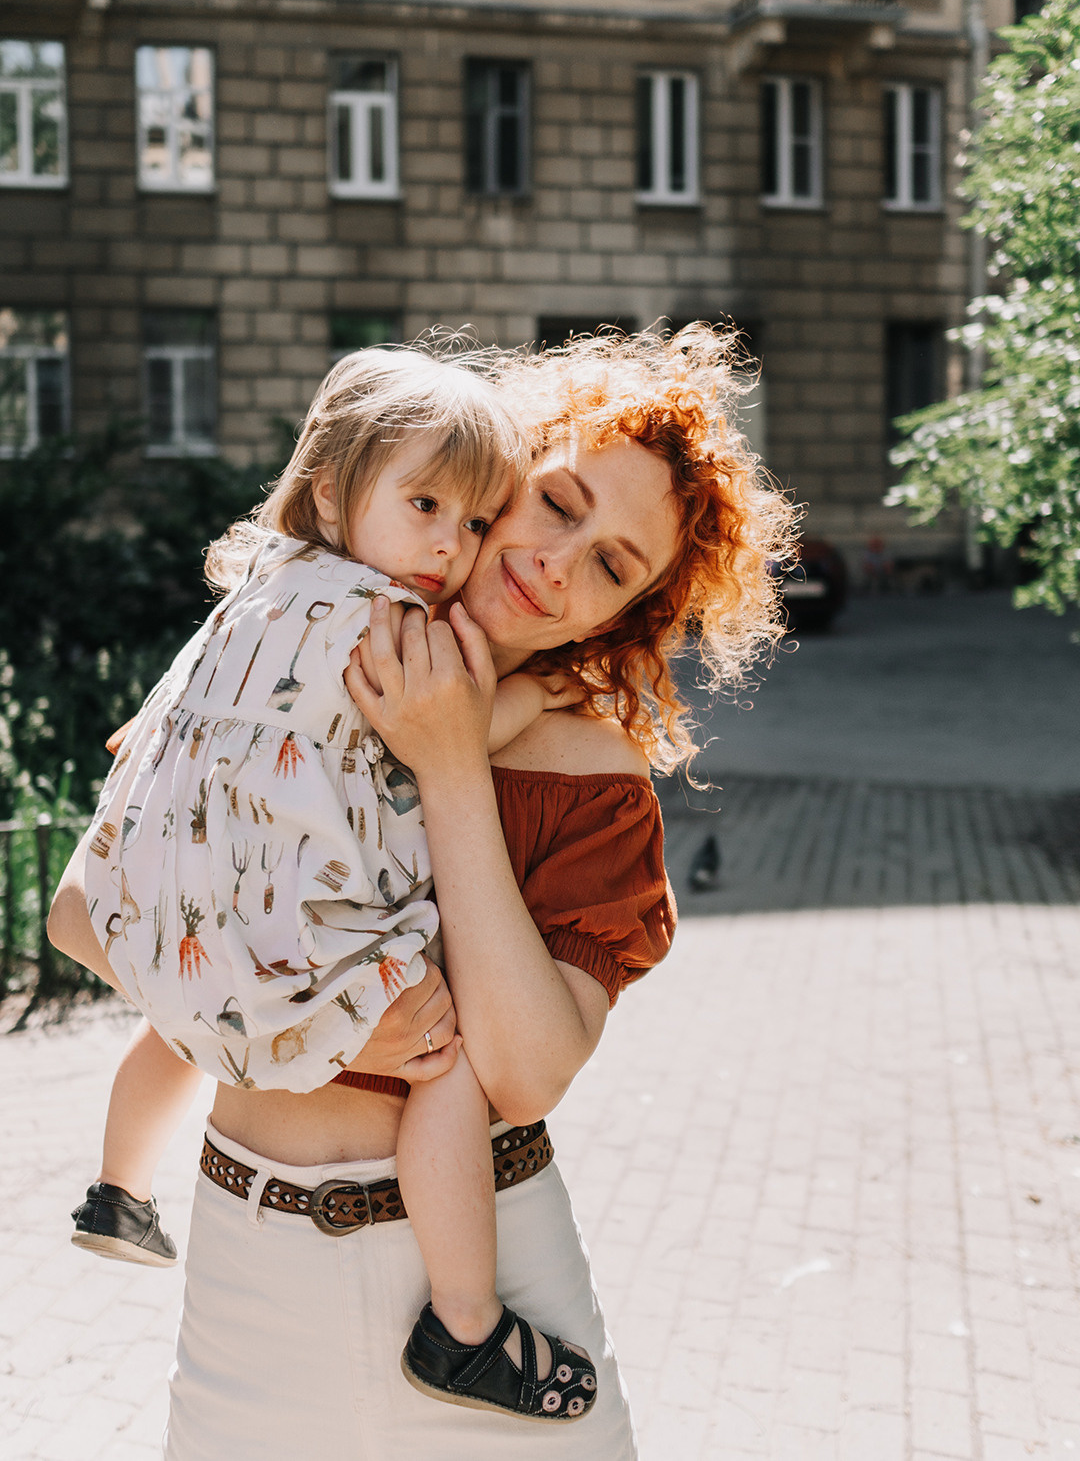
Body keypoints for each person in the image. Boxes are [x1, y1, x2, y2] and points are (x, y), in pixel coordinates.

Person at [49, 324, 796, 1459]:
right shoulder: (294, 655)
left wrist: (450, 767)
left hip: (494, 1272)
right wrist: (317, 1015)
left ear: (624, 616)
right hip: (253, 1267)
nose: (559, 562)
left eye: (612, 566)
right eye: (557, 503)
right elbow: (81, 914)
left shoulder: (592, 775)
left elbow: (525, 1070)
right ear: (496, 471)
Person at [57, 347, 601, 1425]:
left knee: (180, 1020)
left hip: (187, 890)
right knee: (444, 1068)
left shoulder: (256, 589)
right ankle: (466, 1326)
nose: (450, 544)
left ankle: (116, 1189)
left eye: (476, 520)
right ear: (329, 493)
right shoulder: (393, 623)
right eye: (426, 504)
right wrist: (537, 702)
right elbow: (453, 728)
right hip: (310, 914)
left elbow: (166, 720)